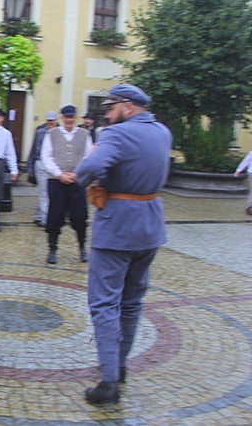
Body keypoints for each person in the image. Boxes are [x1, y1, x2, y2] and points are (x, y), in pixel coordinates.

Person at [67, 84, 172, 405]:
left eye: (110, 108)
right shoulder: (162, 132)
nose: (107, 114)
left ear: (127, 107)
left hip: (117, 229)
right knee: (132, 302)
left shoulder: (116, 134)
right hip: (150, 225)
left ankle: (109, 381)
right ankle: (120, 366)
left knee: (104, 303)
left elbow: (91, 168)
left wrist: (82, 178)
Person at [40, 104, 93, 264]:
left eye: (71, 117)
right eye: (66, 117)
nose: (69, 120)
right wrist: (59, 174)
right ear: (62, 118)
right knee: (55, 216)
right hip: (56, 181)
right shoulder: (52, 134)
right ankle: (52, 249)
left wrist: (77, 173)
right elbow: (46, 157)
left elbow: (88, 156)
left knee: (80, 216)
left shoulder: (85, 134)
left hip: (77, 181)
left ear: (75, 117)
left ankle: (82, 248)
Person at [26, 111, 59, 227]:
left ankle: (39, 215)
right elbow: (33, 150)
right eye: (49, 120)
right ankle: (45, 219)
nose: (50, 123)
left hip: (54, 165)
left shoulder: (59, 132)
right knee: (45, 192)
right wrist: (29, 167)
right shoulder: (40, 132)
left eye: (52, 120)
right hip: (40, 163)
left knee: (49, 191)